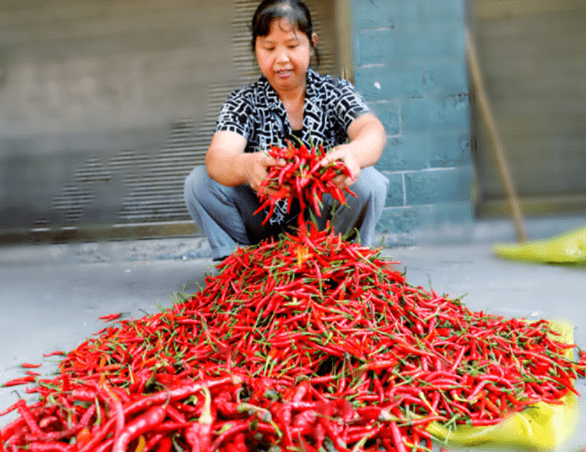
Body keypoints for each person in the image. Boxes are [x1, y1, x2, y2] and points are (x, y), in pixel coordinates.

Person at [184, 0, 388, 261]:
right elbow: (218, 157)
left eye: (292, 46)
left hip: (323, 224)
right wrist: (246, 166)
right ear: (256, 49)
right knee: (199, 183)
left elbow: (372, 130)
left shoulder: (334, 92)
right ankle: (239, 271)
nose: (281, 59)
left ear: (311, 43)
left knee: (369, 182)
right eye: (269, 47)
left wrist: (353, 153)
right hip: (263, 222)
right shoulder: (244, 102)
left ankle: (342, 264)